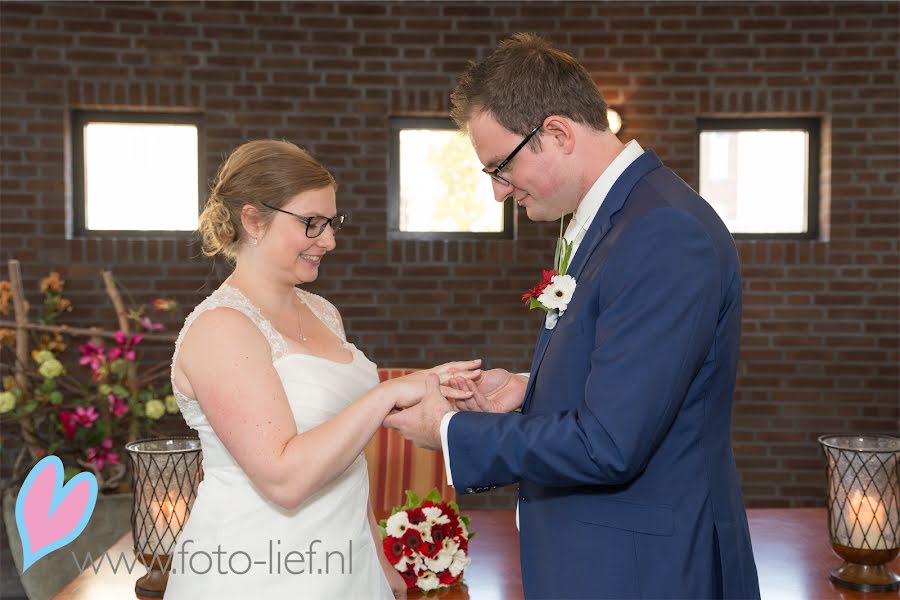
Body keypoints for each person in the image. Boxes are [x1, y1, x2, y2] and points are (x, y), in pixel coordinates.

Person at [385, 33, 761, 599]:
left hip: (644, 571)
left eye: (500, 167)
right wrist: (525, 389)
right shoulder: (616, 219)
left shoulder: (662, 232)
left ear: (557, 133)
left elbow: (610, 442)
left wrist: (451, 430)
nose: (495, 193)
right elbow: (639, 381)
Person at [166, 140, 479, 599]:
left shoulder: (324, 313)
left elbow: (347, 461)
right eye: (311, 223)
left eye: (331, 223)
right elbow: (285, 479)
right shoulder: (220, 330)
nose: (329, 241)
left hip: (346, 564)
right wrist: (387, 393)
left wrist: (375, 556)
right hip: (257, 569)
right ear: (253, 220)